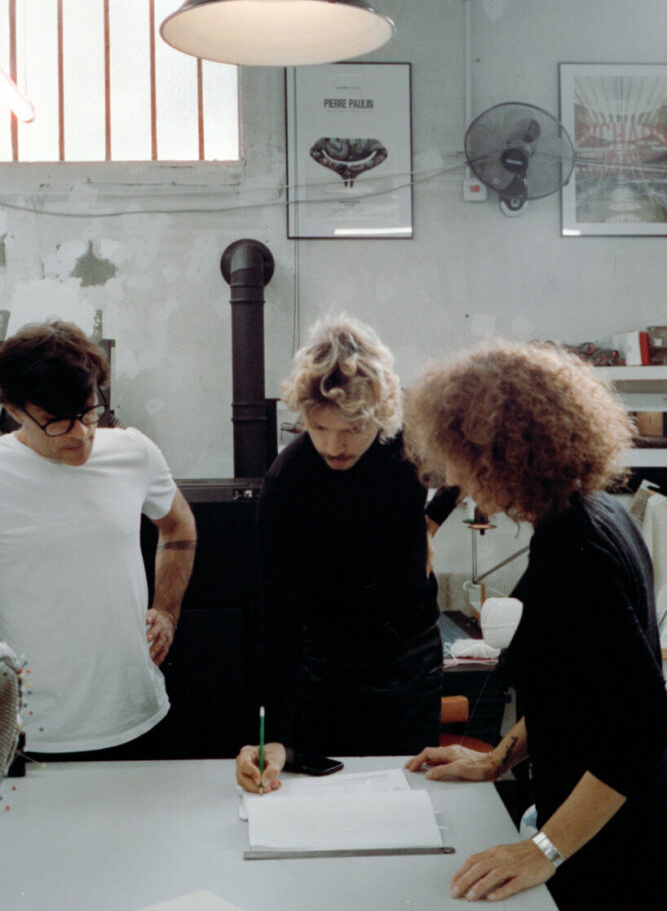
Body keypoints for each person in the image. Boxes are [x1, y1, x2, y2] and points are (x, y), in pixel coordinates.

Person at [403, 340, 667, 911]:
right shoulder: (586, 515)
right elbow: (571, 691)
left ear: (508, 453)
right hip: (585, 828)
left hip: (614, 855)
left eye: (464, 459)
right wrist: (497, 759)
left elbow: (641, 730)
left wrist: (543, 850)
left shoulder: (578, 551)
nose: (455, 476)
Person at [236, 315, 458, 793]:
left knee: (408, 793)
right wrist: (275, 735)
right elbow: (276, 621)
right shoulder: (287, 482)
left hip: (411, 658)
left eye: (352, 428)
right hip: (327, 669)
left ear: (379, 415)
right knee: (327, 797)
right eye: (320, 427)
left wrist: (431, 521)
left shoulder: (410, 444)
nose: (334, 446)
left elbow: (469, 465)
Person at [0, 320, 196, 758]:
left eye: (88, 412)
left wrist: (166, 611)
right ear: (13, 409)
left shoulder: (134, 452)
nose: (81, 433)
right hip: (30, 736)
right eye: (56, 421)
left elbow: (178, 525)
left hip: (137, 717)